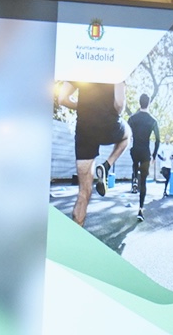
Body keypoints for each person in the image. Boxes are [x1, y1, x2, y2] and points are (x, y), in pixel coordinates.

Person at [60, 80, 130, 226]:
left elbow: (62, 98)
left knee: (83, 193)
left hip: (84, 129)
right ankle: (107, 165)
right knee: (127, 135)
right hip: (108, 125)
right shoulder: (117, 68)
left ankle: (76, 232)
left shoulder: (79, 67)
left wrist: (83, 107)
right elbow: (119, 104)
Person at [126, 93, 161, 221]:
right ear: (149, 103)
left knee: (135, 162)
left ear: (139, 102)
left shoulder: (132, 118)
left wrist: (128, 144)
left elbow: (126, 133)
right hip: (146, 153)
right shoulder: (153, 121)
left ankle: (135, 177)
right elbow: (158, 140)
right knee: (144, 182)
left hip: (135, 150)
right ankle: (140, 210)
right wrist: (154, 155)